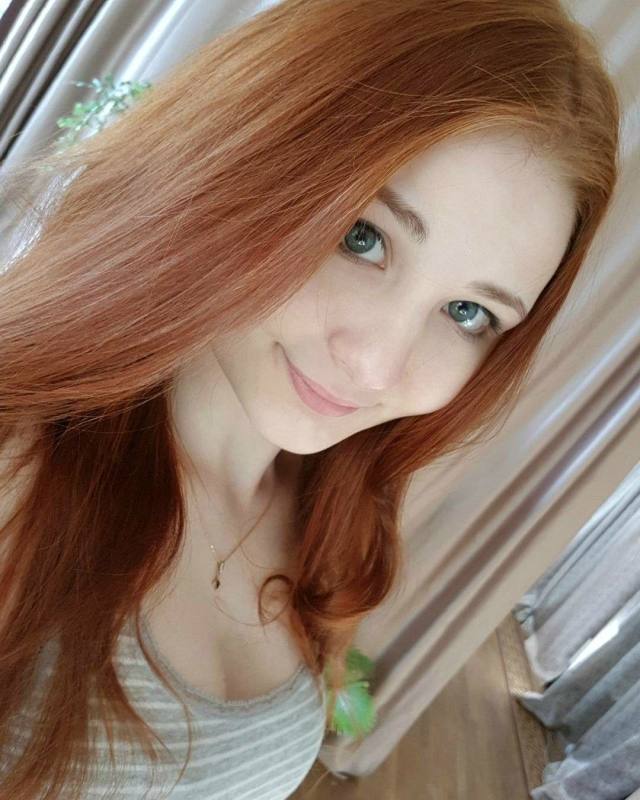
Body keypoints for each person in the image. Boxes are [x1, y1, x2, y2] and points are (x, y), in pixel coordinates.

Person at [0, 0, 620, 797]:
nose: (376, 365)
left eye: (468, 312)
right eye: (362, 236)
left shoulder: (333, 512)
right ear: (238, 157)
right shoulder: (19, 464)